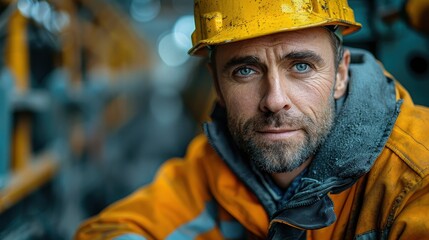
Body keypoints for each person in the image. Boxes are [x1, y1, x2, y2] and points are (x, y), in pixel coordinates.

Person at [75, 0, 429, 239]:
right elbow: (111, 229)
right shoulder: (213, 169)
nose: (275, 100)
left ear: (339, 74)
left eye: (301, 66)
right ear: (216, 84)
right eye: (245, 70)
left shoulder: (415, 176)